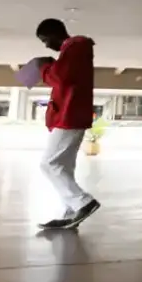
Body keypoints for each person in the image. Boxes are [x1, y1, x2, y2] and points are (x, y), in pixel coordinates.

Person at [34, 19, 101, 230]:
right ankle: (71, 212)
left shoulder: (76, 45)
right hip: (69, 115)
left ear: (55, 33)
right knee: (63, 166)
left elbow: (61, 79)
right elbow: (65, 76)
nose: (46, 45)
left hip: (69, 116)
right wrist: (51, 65)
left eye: (45, 40)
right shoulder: (71, 51)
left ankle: (83, 202)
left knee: (49, 164)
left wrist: (44, 67)